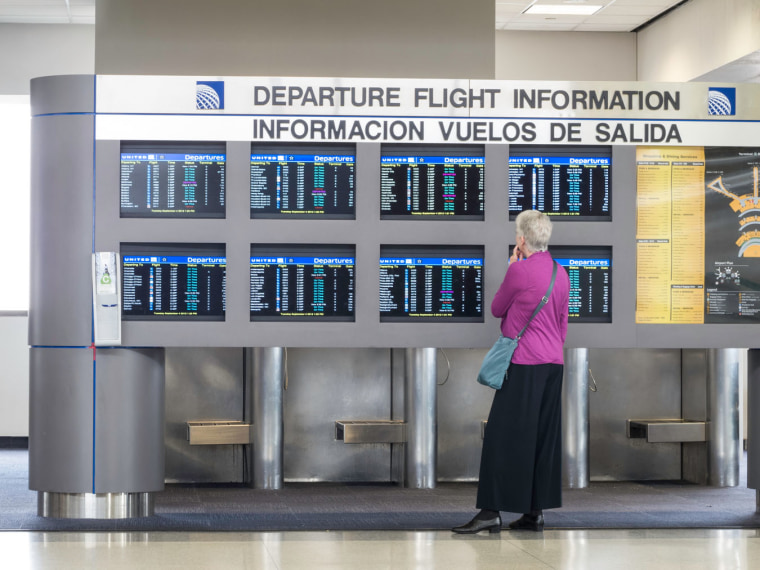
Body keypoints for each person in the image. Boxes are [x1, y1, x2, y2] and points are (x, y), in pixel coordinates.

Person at [452, 209, 570, 534]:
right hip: (553, 365)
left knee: (500, 437)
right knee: (542, 439)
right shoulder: (561, 273)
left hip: (524, 364)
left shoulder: (519, 272)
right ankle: (535, 512)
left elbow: (496, 309)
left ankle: (490, 511)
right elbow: (562, 327)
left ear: (521, 239)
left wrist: (511, 268)